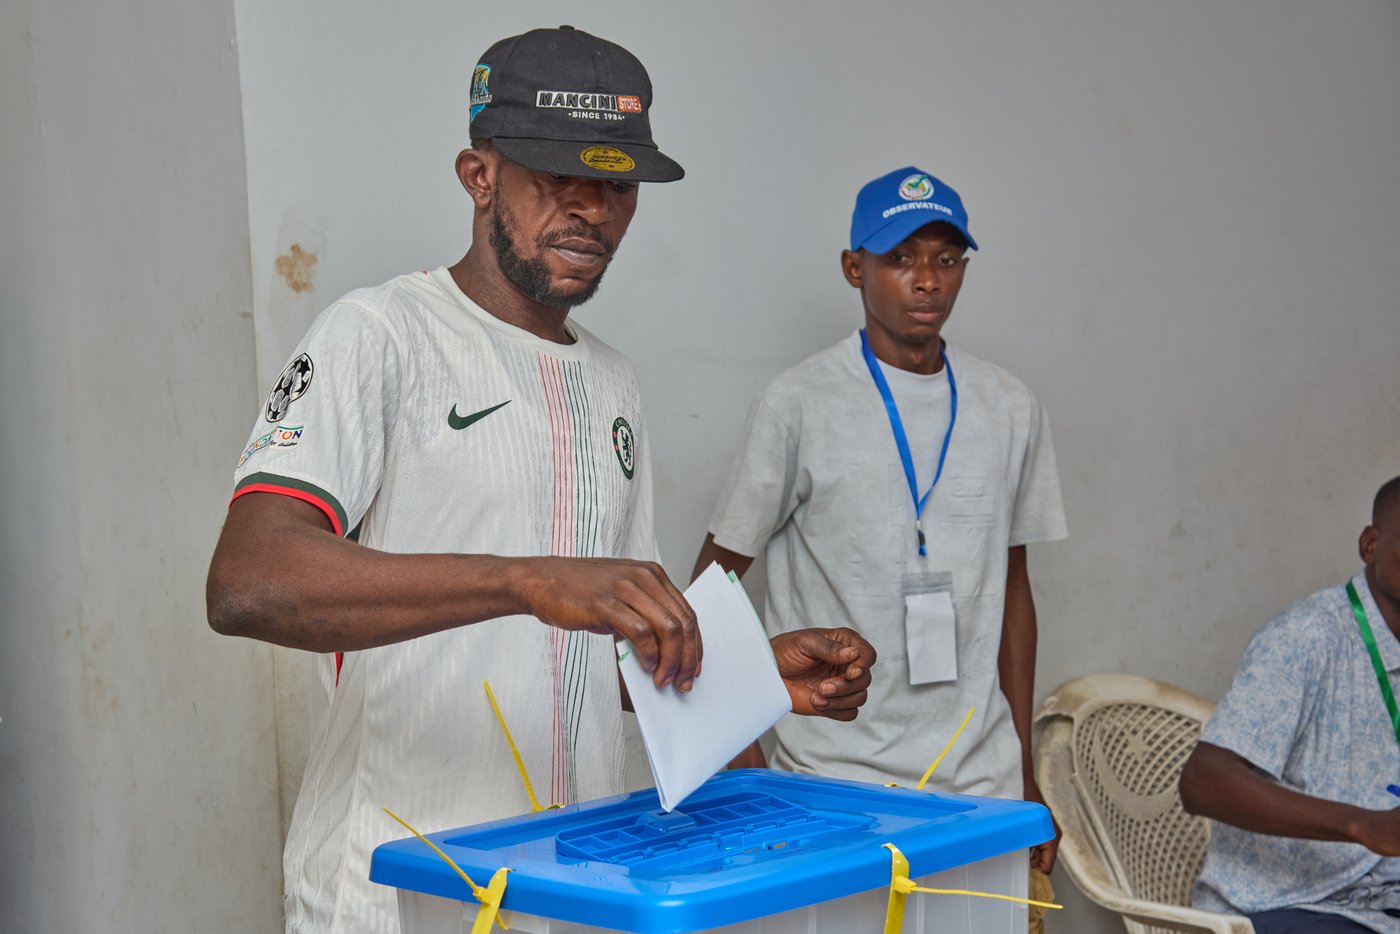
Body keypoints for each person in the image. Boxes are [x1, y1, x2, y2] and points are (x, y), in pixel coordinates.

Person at [206, 27, 875, 934]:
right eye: (559, 176)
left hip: (575, 888)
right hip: (399, 889)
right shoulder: (381, 335)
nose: (592, 210)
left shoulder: (614, 383)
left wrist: (749, 675)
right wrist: (523, 579)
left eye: (617, 185)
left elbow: (594, 648)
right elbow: (248, 582)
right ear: (479, 176)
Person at [693, 166, 1068, 877]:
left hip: (979, 785)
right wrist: (741, 753)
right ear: (854, 267)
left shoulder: (1011, 406)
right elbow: (715, 581)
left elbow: (1015, 590)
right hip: (831, 785)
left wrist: (1021, 769)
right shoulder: (799, 403)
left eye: (946, 259)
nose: (926, 280)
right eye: (900, 257)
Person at [1179, 476, 1400, 933]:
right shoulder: (1306, 636)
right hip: (1289, 903)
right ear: (1370, 545)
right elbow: (1202, 781)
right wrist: (1363, 826)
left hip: (1381, 899)